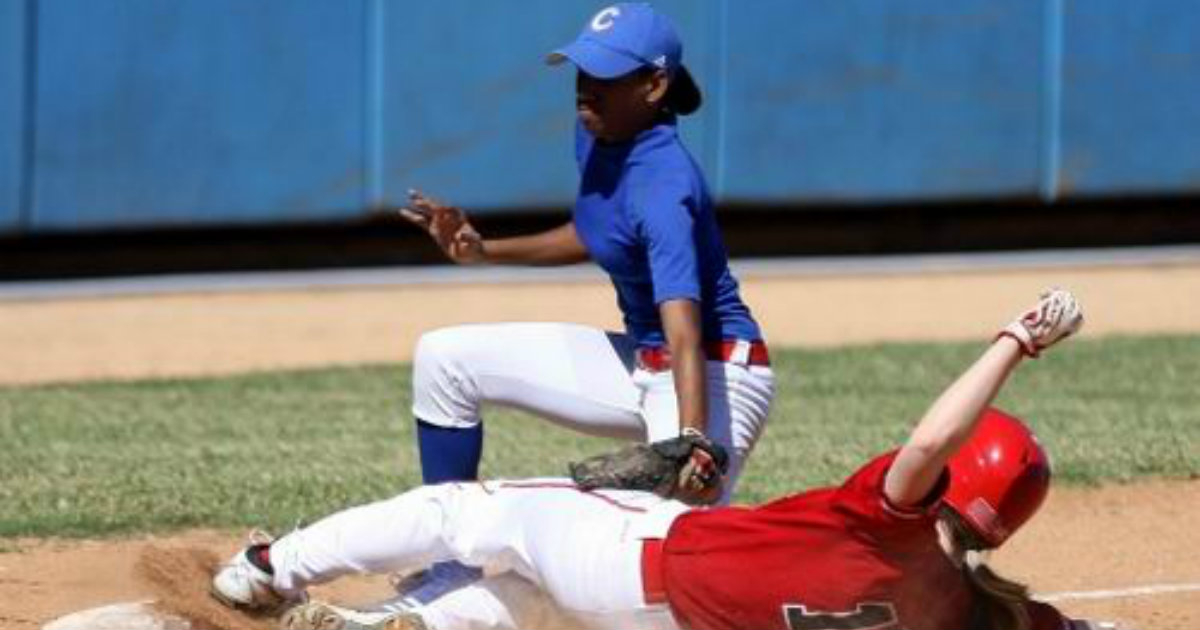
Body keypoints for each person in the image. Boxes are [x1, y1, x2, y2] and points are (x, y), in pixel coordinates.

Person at [212, 289, 1093, 630]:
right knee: (525, 597)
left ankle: (267, 569)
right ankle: (391, 627)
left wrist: (1017, 339)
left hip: (642, 549)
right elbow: (1050, 628)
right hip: (657, 619)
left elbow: (932, 440)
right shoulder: (962, 613)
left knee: (466, 514)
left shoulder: (886, 524)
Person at [391, 3, 774, 602]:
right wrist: (482, 250)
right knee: (445, 357)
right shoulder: (599, 135)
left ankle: (781, 585)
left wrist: (694, 440)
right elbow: (594, 232)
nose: (585, 89)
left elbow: (685, 333)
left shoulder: (664, 185)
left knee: (651, 560)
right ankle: (451, 566)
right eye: (581, 71)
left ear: (654, 85)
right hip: (643, 363)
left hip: (717, 371)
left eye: (605, 76)